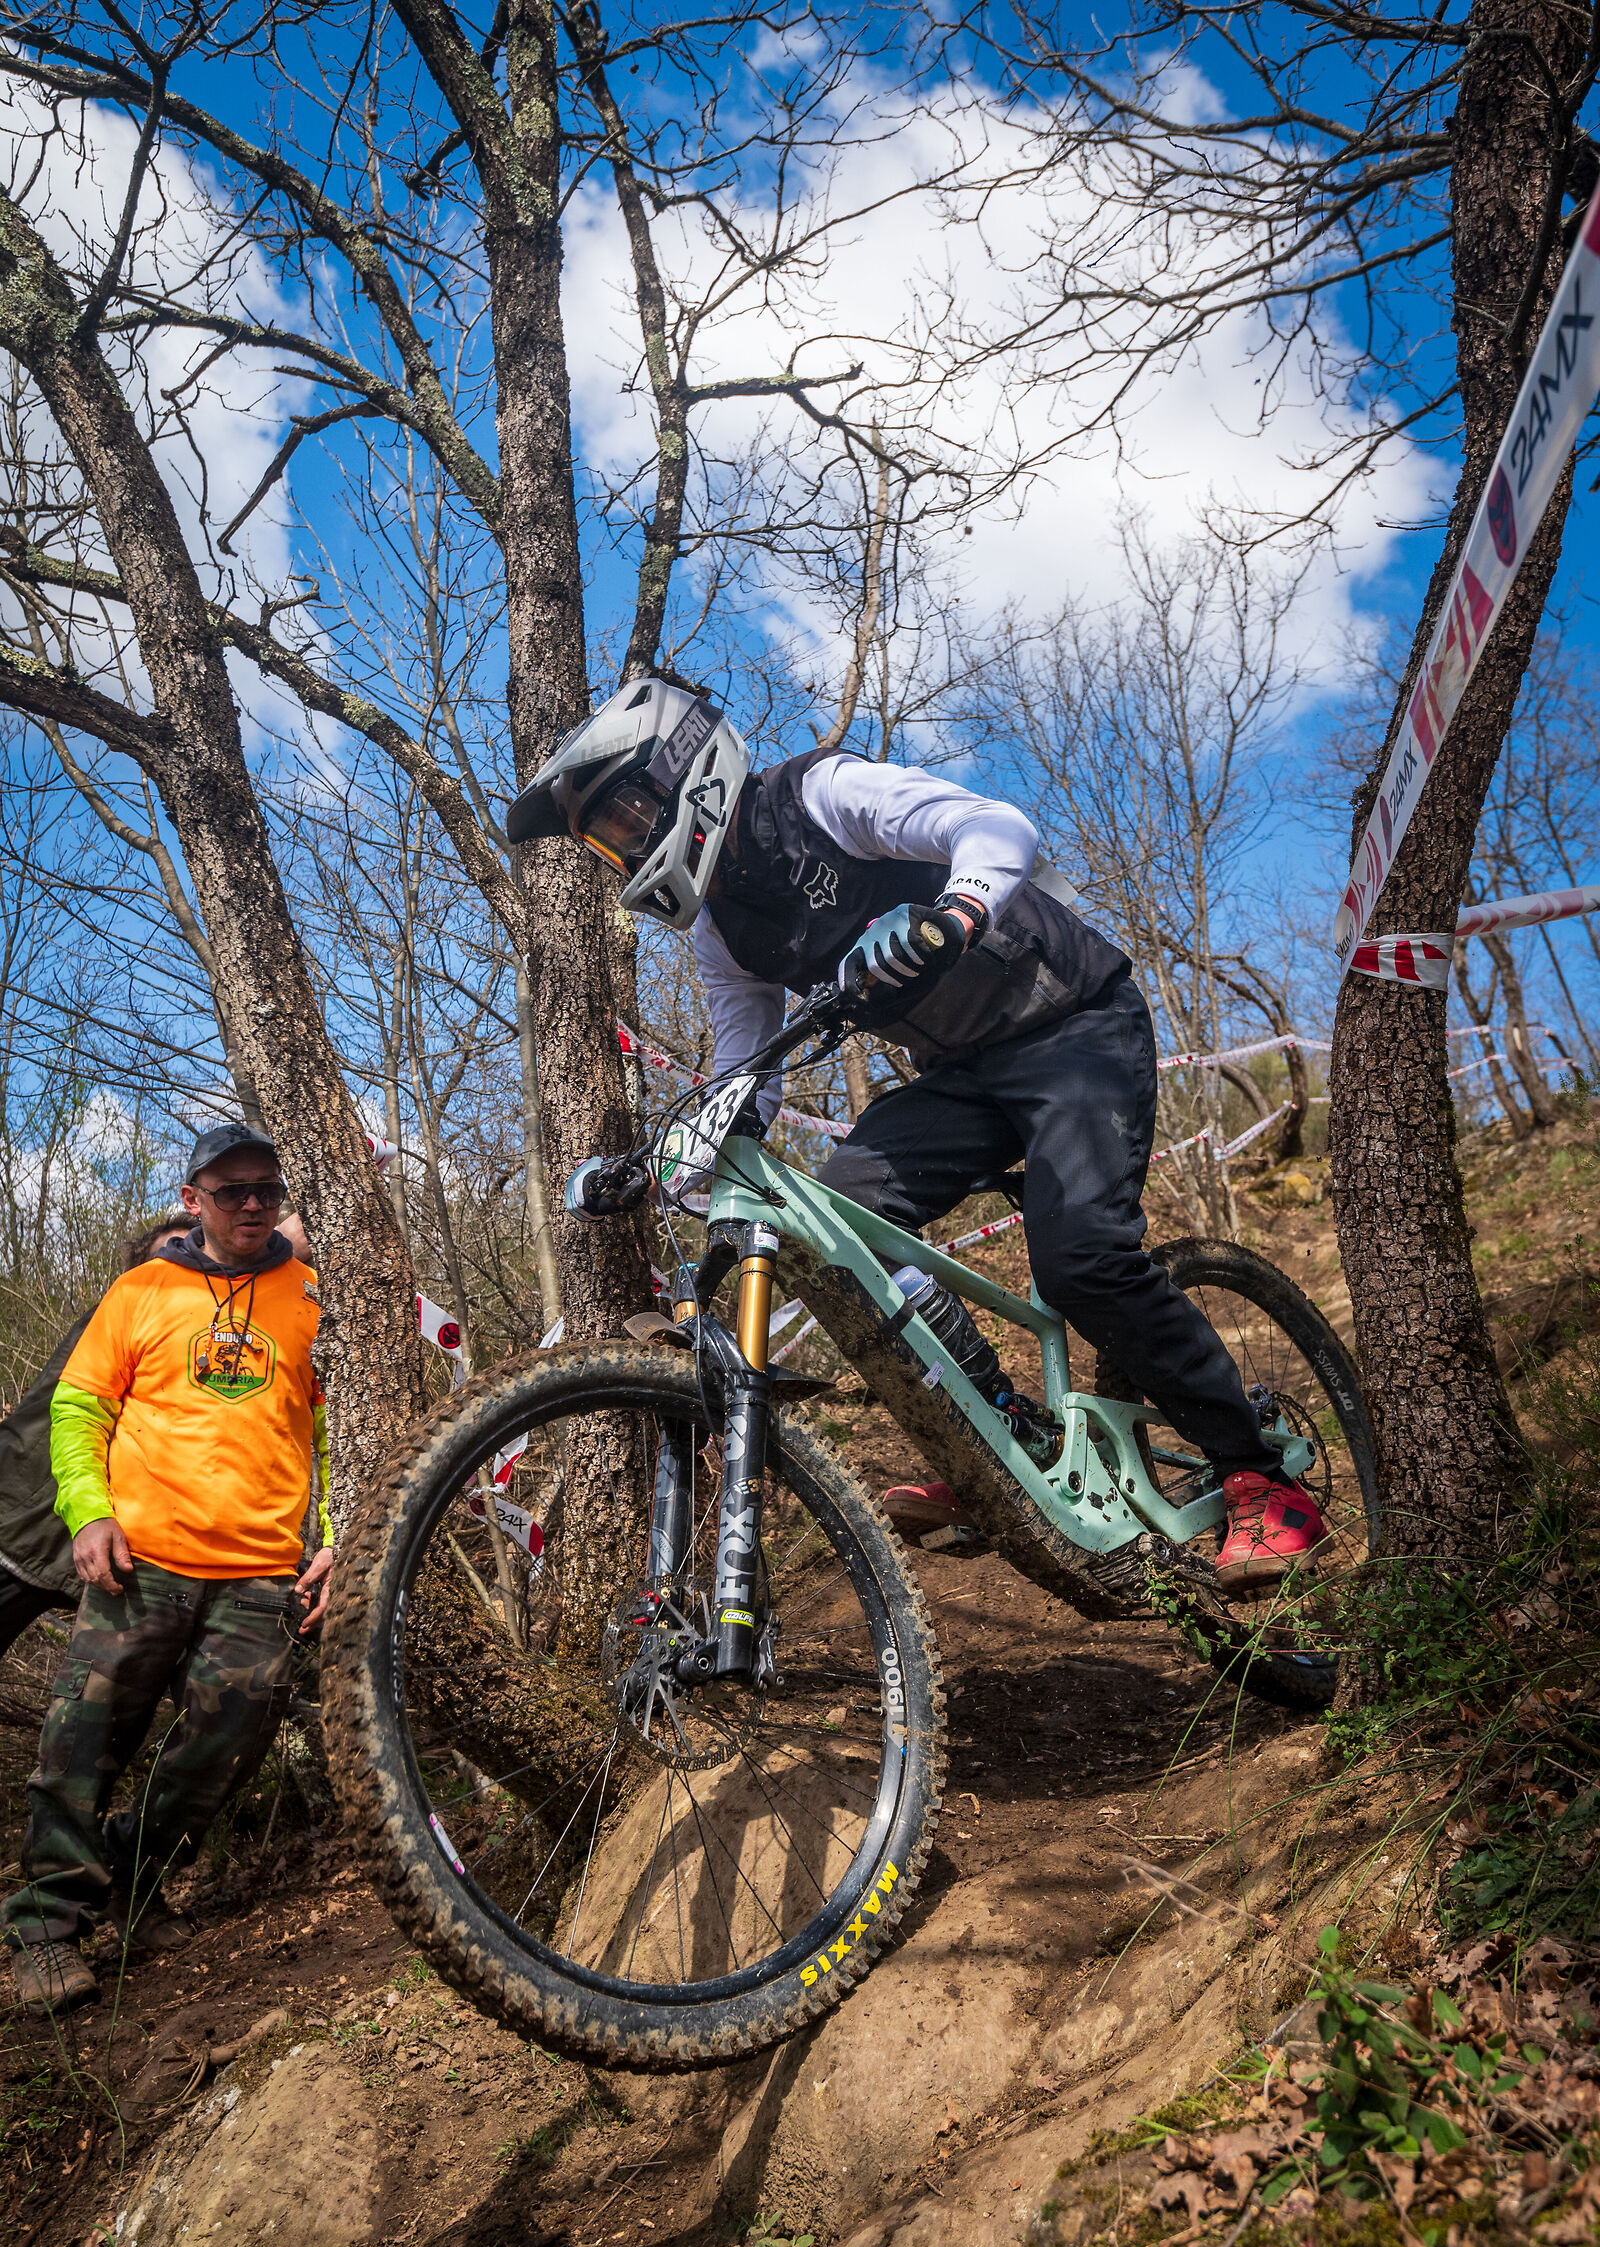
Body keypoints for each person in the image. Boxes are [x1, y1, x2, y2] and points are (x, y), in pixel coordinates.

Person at [508, 677, 1329, 1584]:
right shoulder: (723, 936)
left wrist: (959, 908)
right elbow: (746, 1074)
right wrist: (661, 1164)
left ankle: (1256, 1472)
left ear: (681, 776)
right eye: (608, 842)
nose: (626, 851)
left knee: (1083, 1262)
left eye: (626, 823)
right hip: (962, 1077)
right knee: (829, 1225)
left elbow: (997, 829)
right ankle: (1000, 1437)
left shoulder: (821, 796)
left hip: (1075, 1027)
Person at [2, 1127, 332, 2016]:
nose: (253, 1204)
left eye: (267, 1187)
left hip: (265, 1569)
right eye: (233, 1191)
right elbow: (76, 1410)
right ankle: (43, 1931)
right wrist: (89, 1513)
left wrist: (333, 1538)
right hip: (139, 1564)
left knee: (218, 1753)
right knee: (81, 1744)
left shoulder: (308, 1296)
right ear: (194, 1198)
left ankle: (133, 1886)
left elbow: (335, 1436)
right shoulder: (141, 1290)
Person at [0, 1215, 198, 1668]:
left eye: (198, 1250)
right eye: (174, 1251)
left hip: (97, 1555)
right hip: (19, 1528)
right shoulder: (121, 1313)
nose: (190, 1261)